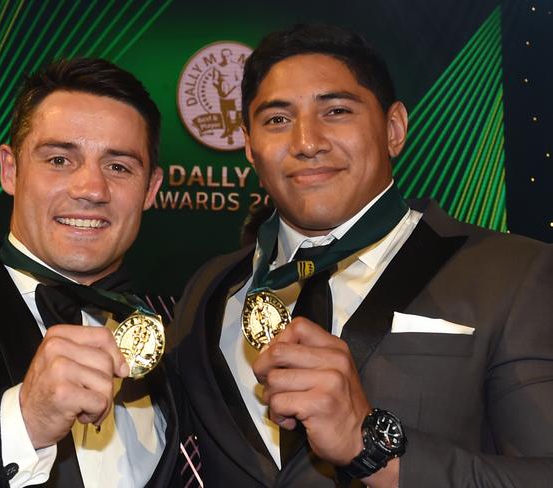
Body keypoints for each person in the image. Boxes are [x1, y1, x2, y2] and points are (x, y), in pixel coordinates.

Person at [169, 24, 553, 487]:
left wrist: (372, 449)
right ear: (250, 147)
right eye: (276, 120)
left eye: (335, 111)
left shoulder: (514, 273)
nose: (307, 142)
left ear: (394, 129)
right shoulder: (208, 290)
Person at [0, 58, 181, 487]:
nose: (91, 189)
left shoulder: (177, 330)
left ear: (151, 189)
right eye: (59, 159)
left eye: (119, 166)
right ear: (10, 170)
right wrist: (24, 421)